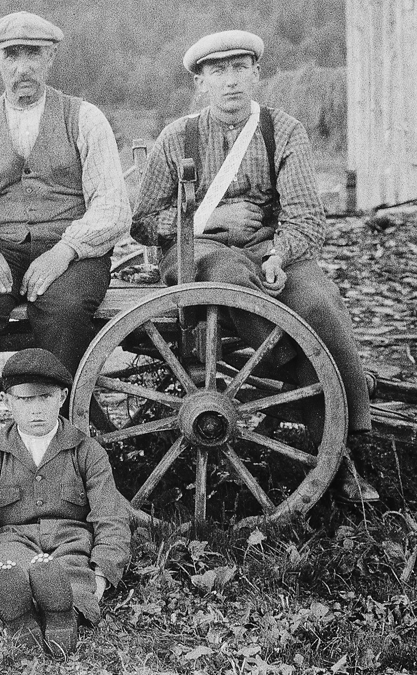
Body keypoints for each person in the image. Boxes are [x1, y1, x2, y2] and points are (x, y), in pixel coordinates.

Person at [132, 30, 379, 503]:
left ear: (256, 74)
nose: (231, 81)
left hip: (271, 246)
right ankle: (307, 375)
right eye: (218, 71)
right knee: (227, 276)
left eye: (240, 68)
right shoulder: (177, 137)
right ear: (200, 82)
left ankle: (352, 440)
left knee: (319, 300)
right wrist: (212, 216)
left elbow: (306, 213)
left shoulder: (282, 130)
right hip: (197, 250)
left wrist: (280, 255)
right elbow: (143, 223)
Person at [0, 11, 132, 491]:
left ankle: (54, 444)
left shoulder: (84, 118)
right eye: (12, 55)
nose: (22, 66)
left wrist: (65, 251)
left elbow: (111, 206)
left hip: (73, 247)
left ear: (50, 59)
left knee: (63, 307)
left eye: (33, 55)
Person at [0, 348, 130, 657]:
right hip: (14, 541)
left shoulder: (87, 452)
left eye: (45, 398)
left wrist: (100, 578)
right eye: (24, 400)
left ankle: (64, 616)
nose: (36, 409)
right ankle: (19, 615)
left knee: (70, 574)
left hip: (70, 539)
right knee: (11, 572)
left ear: (62, 397)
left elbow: (110, 518)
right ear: (7, 401)